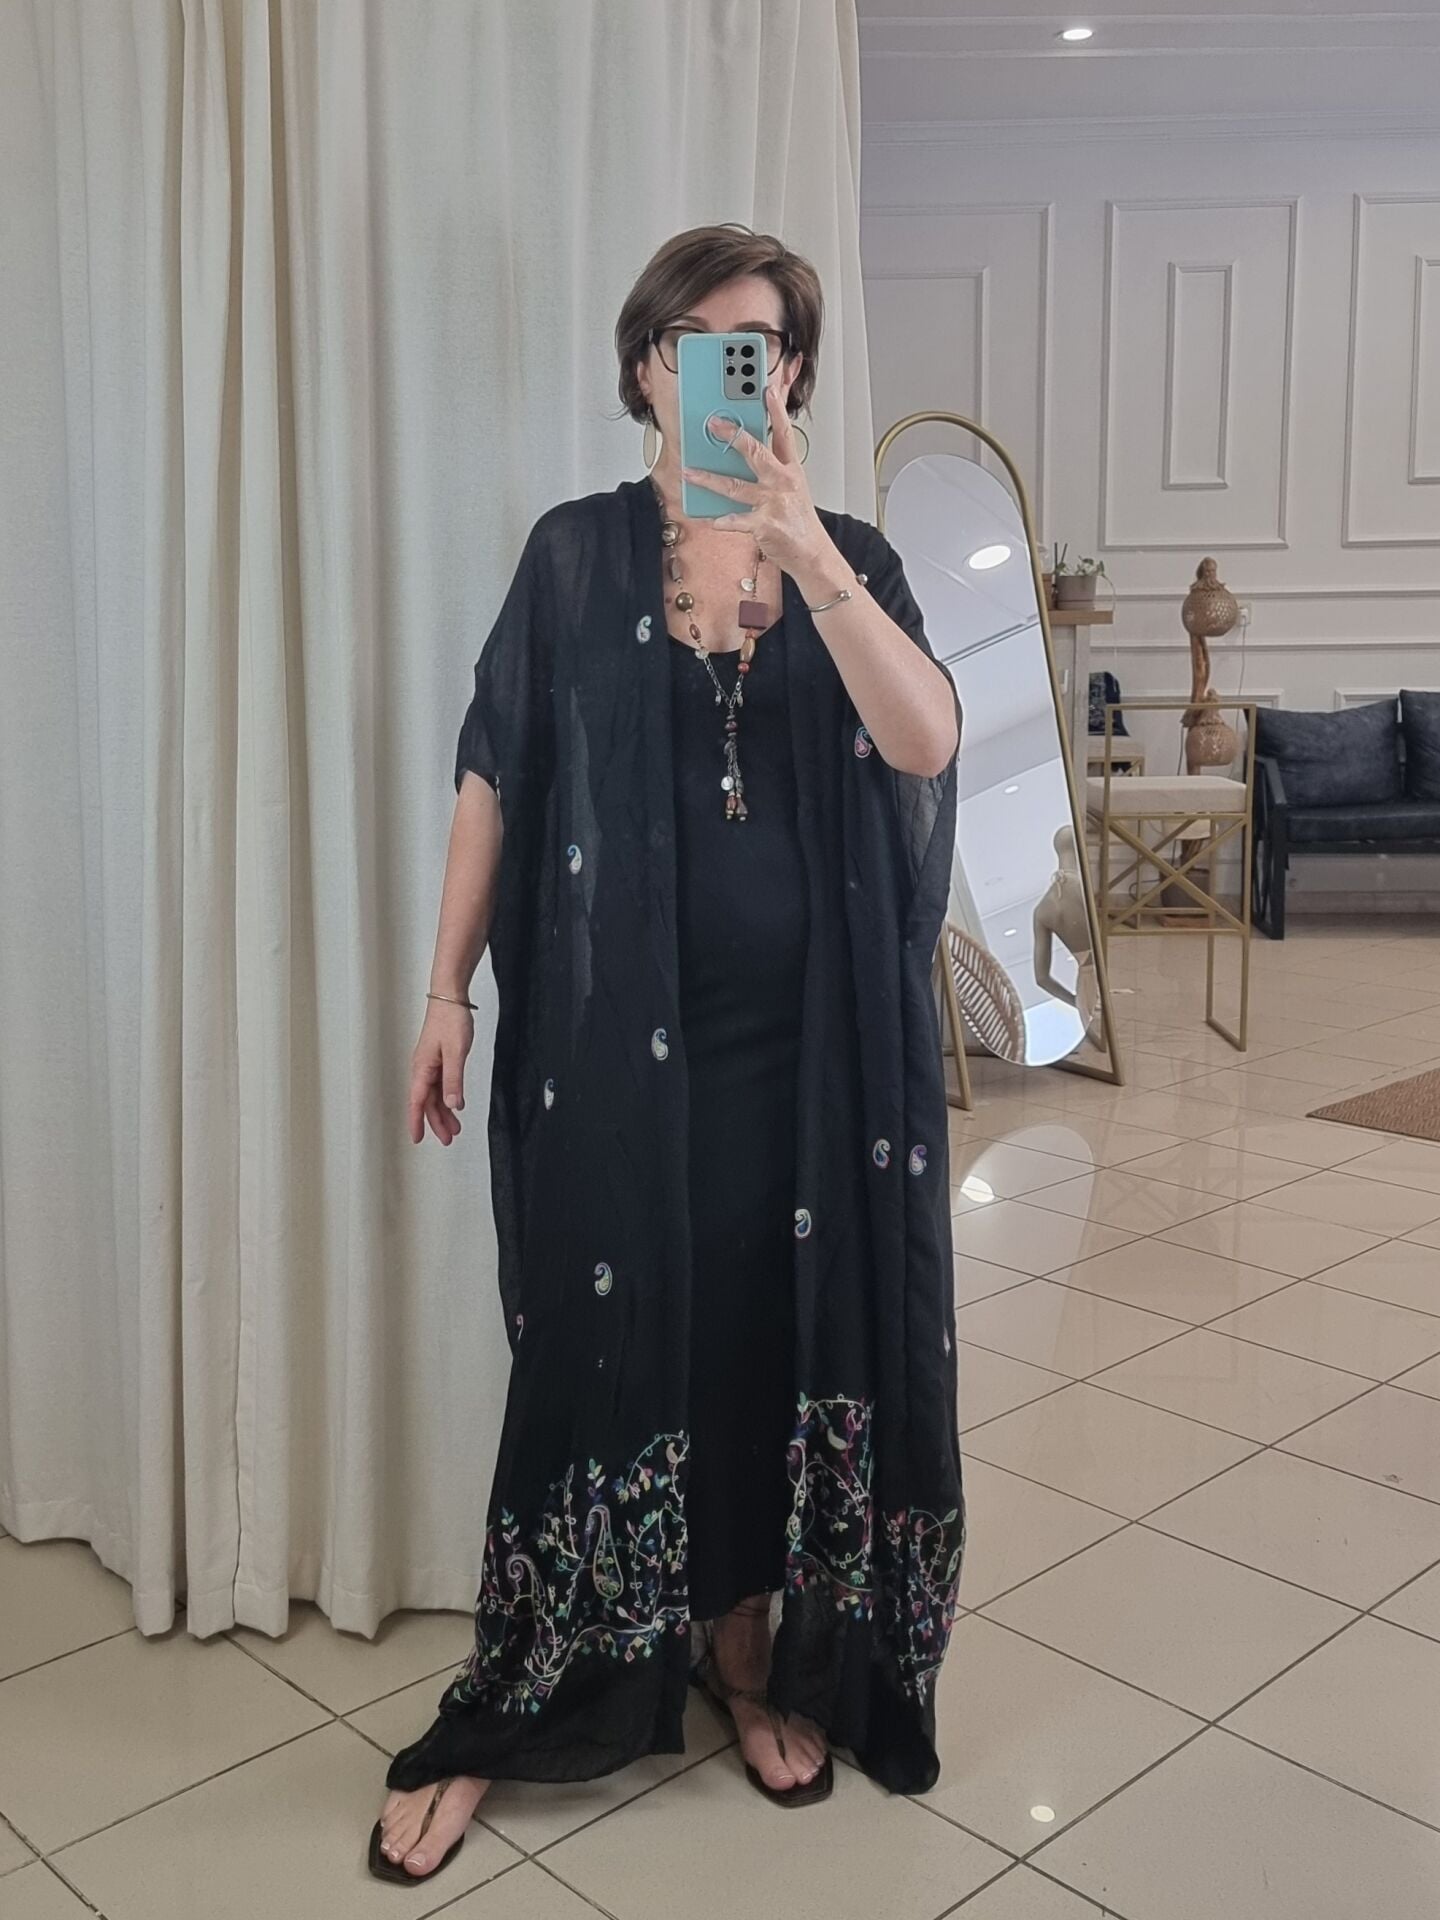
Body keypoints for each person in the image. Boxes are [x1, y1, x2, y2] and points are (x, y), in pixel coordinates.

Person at [370, 224, 966, 1885]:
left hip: (813, 1067)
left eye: (750, 345)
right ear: (643, 369)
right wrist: (445, 994)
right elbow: (494, 772)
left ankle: (748, 1653)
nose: (718, 368)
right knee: (606, 1339)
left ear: (791, 376)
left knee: (772, 1332)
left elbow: (927, 740)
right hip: (614, 1055)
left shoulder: (848, 556)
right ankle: (528, 1686)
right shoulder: (574, 557)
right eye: (686, 341)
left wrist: (805, 549)